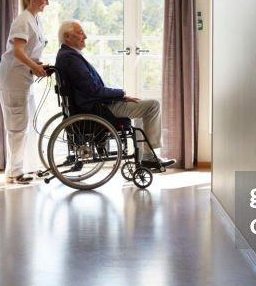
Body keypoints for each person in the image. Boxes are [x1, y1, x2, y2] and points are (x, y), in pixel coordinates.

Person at [55, 20, 175, 172]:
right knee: (153, 106)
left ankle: (145, 156)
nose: (85, 36)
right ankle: (148, 157)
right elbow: (94, 90)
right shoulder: (70, 59)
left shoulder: (66, 55)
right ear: (67, 37)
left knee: (142, 109)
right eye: (80, 33)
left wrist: (120, 97)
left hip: (94, 105)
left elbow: (91, 89)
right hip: (99, 109)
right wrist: (121, 94)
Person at [0, 0, 50, 184]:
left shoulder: (36, 20)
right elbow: (18, 52)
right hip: (13, 80)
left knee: (29, 124)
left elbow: (29, 51)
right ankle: (14, 173)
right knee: (17, 127)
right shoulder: (22, 21)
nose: (48, 2)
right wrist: (35, 67)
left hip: (25, 79)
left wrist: (38, 64)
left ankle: (28, 166)